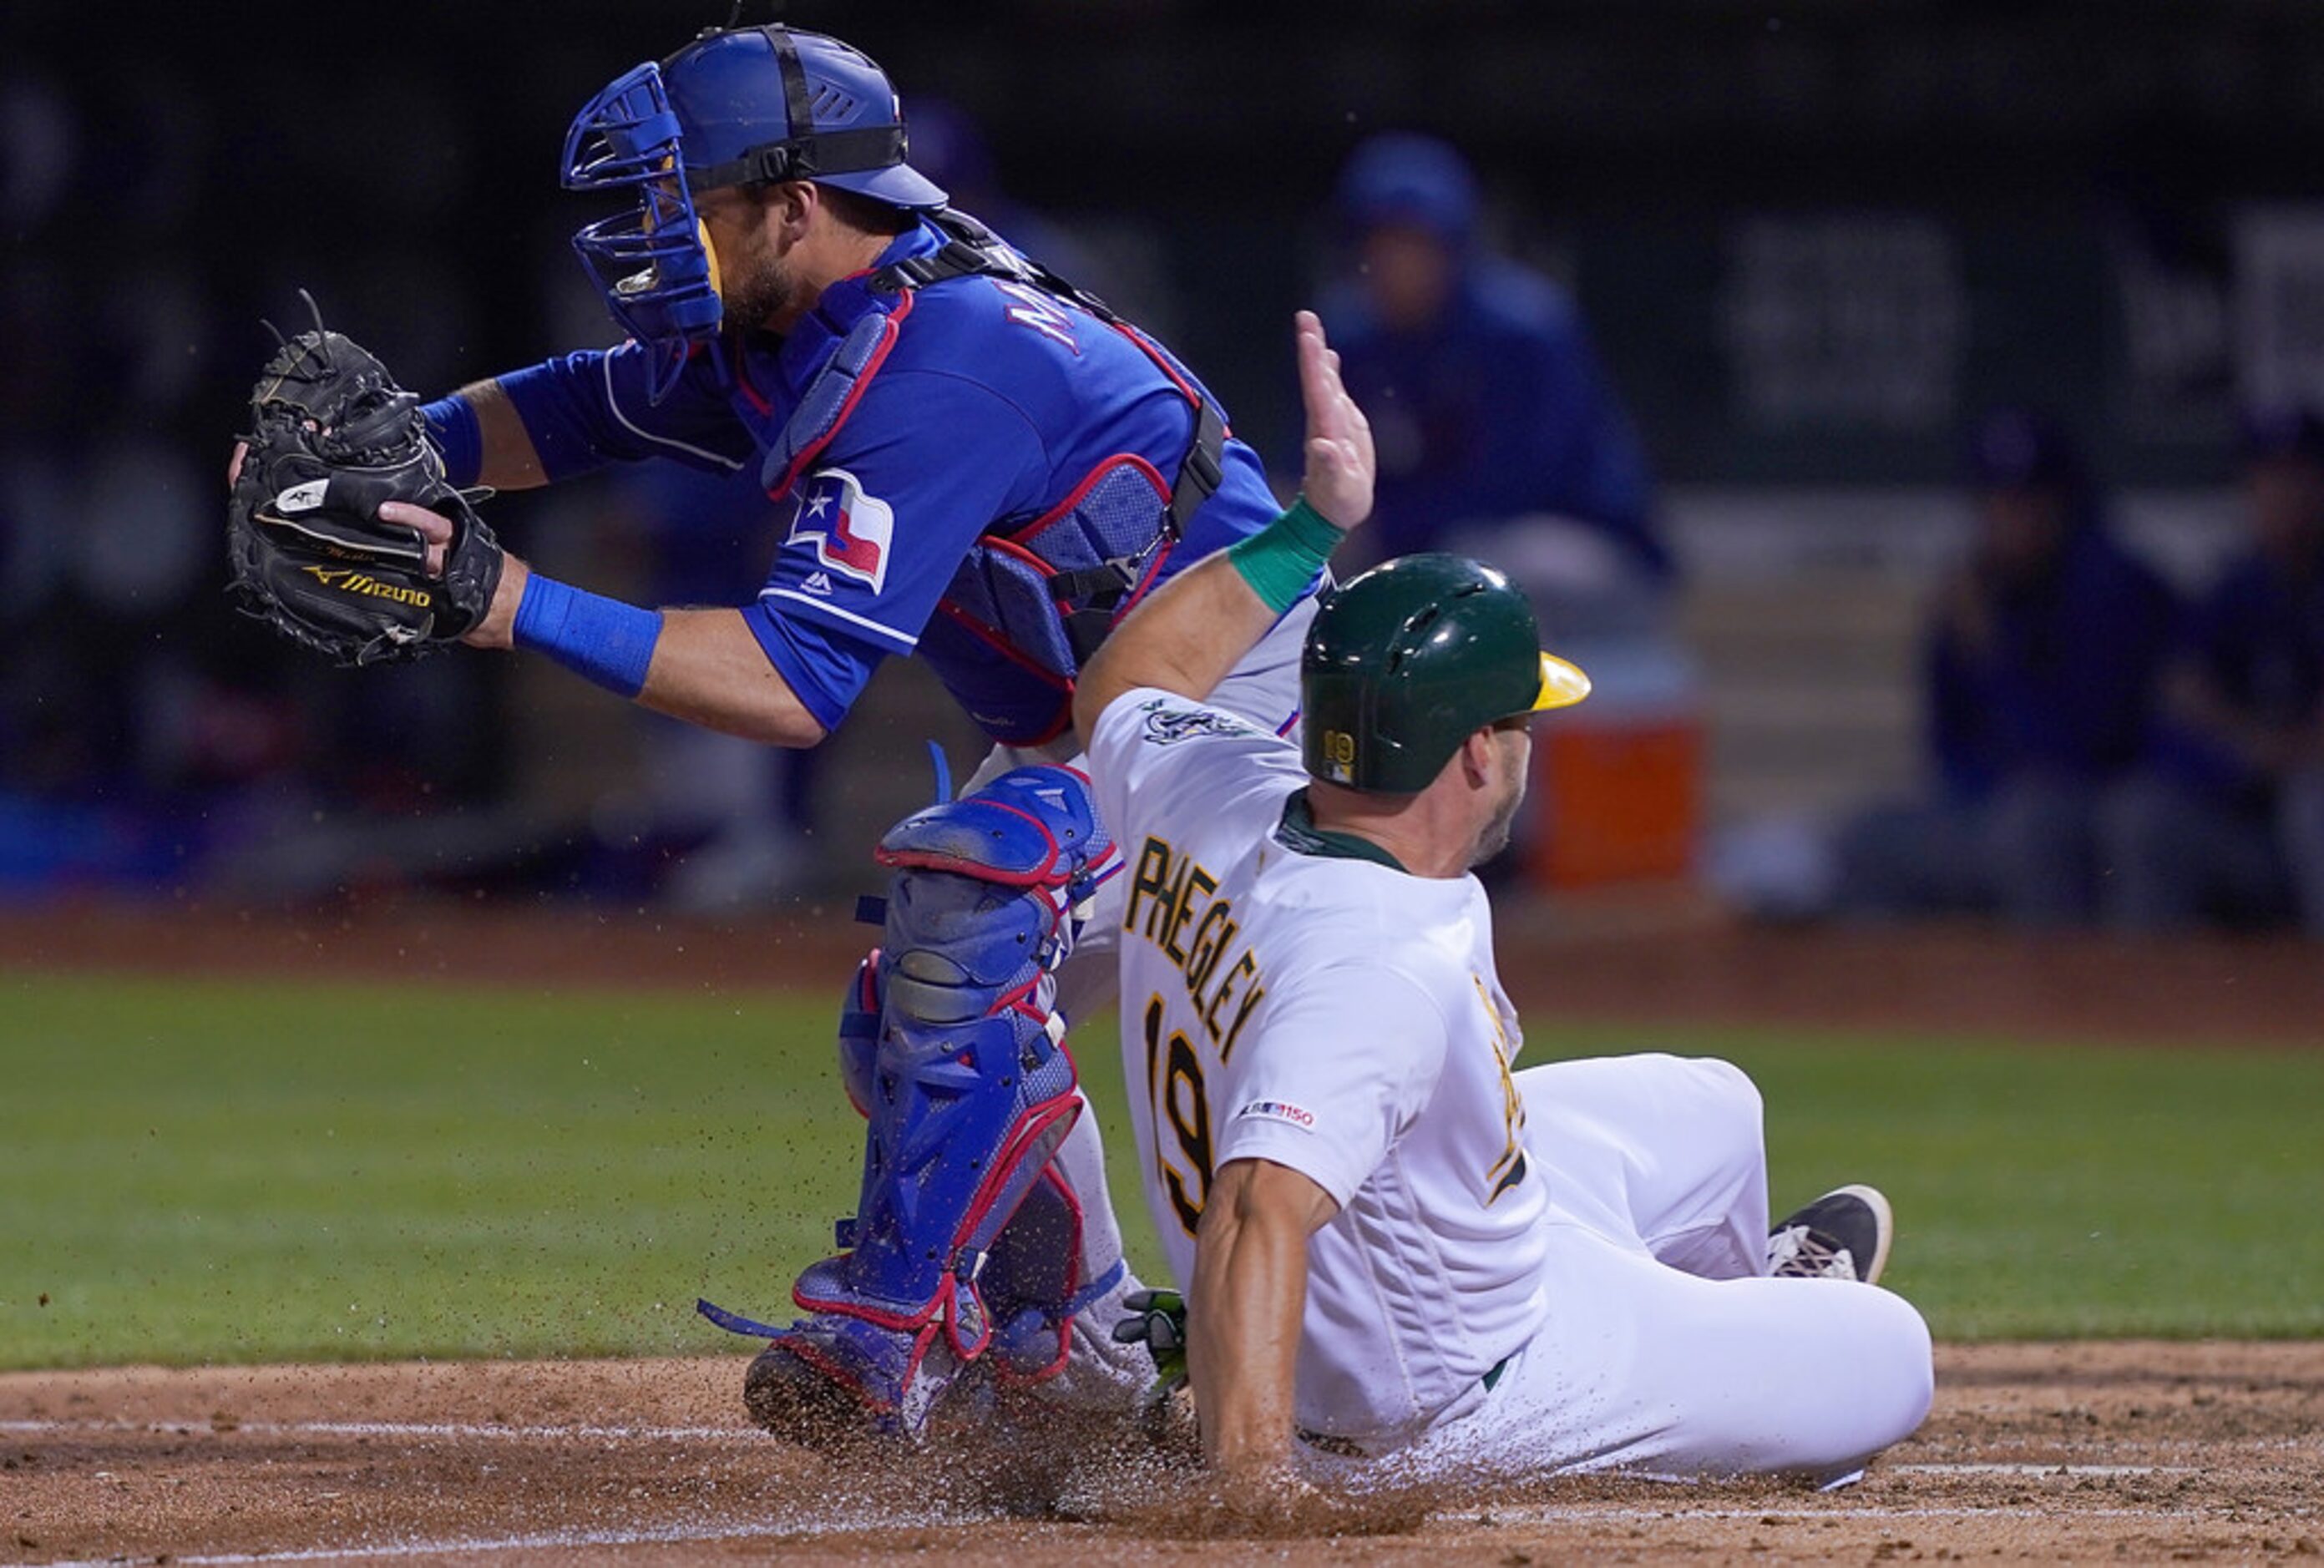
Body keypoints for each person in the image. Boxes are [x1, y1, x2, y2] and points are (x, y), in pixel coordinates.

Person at [301, 22, 1327, 1427]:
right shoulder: (801, 312)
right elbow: (588, 407)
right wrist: (385, 460)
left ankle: (887, 1340)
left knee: (970, 928)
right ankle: (1083, 1351)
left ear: (794, 205)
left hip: (1239, 696)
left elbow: (792, 683)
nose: (647, 237)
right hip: (1100, 710)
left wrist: (504, 598)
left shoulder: (941, 362)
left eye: (685, 201)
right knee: (905, 1019)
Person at [1069, 314, 1932, 1500]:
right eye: (1521, 720)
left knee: (1716, 1106)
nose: (1533, 743)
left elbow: (1125, 682)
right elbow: (1257, 1205)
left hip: (1453, 1250)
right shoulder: (1374, 963)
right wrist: (1253, 1478)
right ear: (1472, 752)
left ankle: (1721, 1328)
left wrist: (1311, 521)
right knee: (1890, 1352)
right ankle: (1730, 1407)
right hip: (1459, 1393)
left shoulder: (1208, 783)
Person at [1834, 409, 2176, 928]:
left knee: (2035, 824)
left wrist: (1996, 659)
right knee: (1866, 840)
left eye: (2028, 500)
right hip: (1990, 808)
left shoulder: (2110, 587)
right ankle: (1904, 1005)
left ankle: (2053, 1001)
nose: (2011, 518)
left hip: (2091, 814)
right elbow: (1950, 749)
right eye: (1996, 501)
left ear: (2063, 502)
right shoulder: (1974, 591)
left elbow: (2084, 750)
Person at [1320, 132, 1668, 596]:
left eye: (1417, 243)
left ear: (1454, 245)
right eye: (1384, 241)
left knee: (1488, 566)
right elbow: (1312, 468)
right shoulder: (1346, 337)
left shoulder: (1523, 329)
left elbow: (1519, 484)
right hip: (1421, 546)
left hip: (1575, 541)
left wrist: (1383, 525)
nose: (1399, 261)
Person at [2100, 407, 2324, 934]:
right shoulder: (2233, 592)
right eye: (2267, 479)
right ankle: (2145, 1004)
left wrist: (2259, 740)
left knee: (2313, 806)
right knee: (2144, 815)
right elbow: (2176, 716)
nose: (2284, 495)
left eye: (2300, 477)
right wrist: (2258, 750)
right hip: (2248, 829)